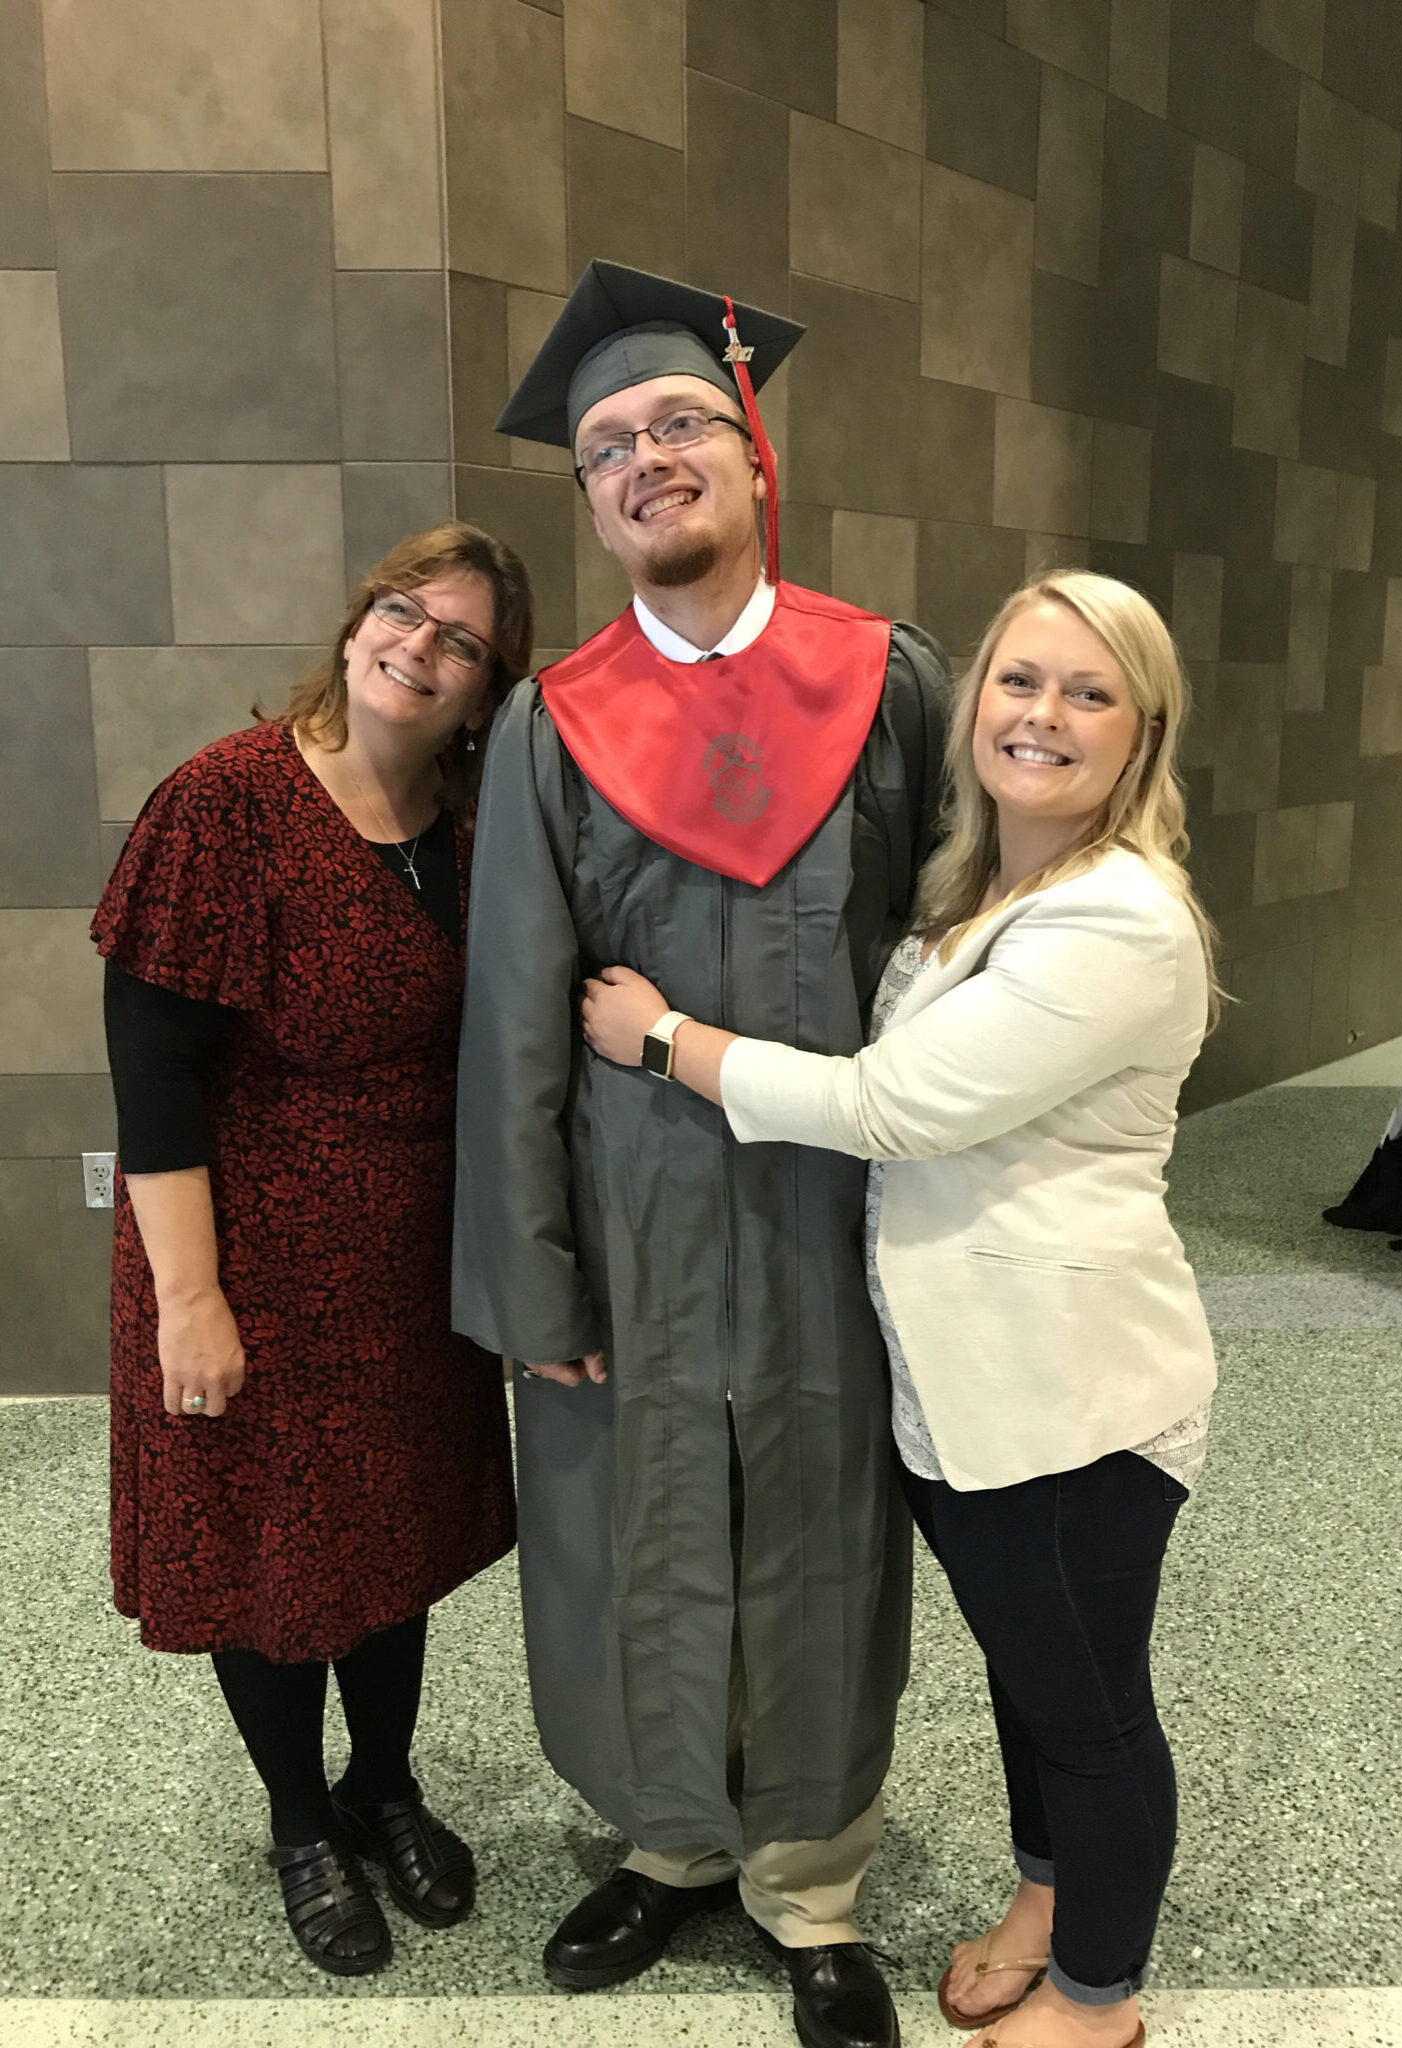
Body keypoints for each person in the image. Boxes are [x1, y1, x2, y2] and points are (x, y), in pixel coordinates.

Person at [582, 570, 1219, 2048]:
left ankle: (1095, 1998)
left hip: (1068, 1397)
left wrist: (663, 1036)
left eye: (1087, 692)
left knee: (1090, 1709)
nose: (1040, 715)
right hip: (964, 1385)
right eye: (1017, 680)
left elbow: (895, 1105)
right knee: (1030, 1676)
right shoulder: (978, 882)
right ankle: (1047, 1896)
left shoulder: (1117, 919)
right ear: (974, 700)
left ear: (1141, 731)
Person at [453, 261, 950, 2048]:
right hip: (630, 1219)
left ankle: (809, 1881)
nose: (645, 461)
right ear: (587, 500)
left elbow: (951, 952)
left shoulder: (886, 679)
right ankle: (665, 1847)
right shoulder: (548, 721)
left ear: (748, 450)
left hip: (838, 1211)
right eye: (606, 448)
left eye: (677, 425)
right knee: (636, 1531)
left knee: (822, 1530)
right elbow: (512, 1009)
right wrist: (525, 1274)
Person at [92, 523, 531, 1977]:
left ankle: (383, 1783)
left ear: (486, 688)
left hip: (410, 1267)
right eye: (403, 612)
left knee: (389, 1541)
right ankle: (300, 1818)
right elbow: (149, 1068)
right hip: (252, 1256)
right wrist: (193, 1300)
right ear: (355, 628)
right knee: (271, 1555)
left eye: (460, 639)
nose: (420, 644)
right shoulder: (227, 801)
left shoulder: (474, 833)